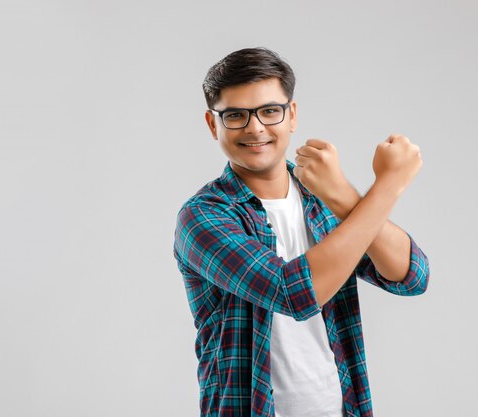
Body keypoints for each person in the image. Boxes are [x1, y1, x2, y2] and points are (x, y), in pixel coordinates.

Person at [173, 47, 430, 417]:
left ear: (291, 115)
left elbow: (410, 276)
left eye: (269, 111)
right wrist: (387, 186)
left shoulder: (321, 197)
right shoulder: (203, 217)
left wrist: (343, 196)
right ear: (213, 124)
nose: (255, 127)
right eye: (235, 115)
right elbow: (293, 292)